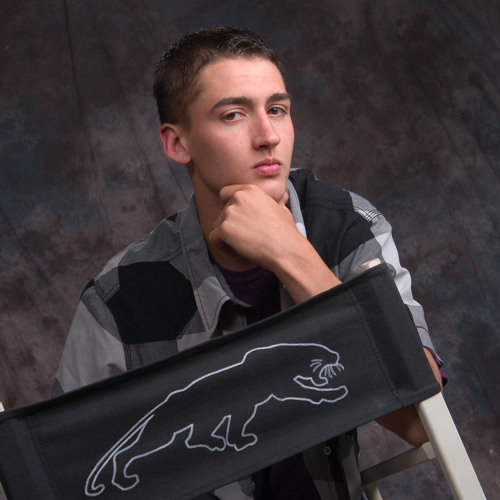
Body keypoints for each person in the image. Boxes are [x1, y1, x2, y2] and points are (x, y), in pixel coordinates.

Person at [53, 27, 444, 499]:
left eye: (277, 109)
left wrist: (292, 254)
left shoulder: (346, 227)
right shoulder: (120, 296)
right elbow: (63, 474)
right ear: (177, 144)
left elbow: (424, 421)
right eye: (233, 115)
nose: (268, 136)